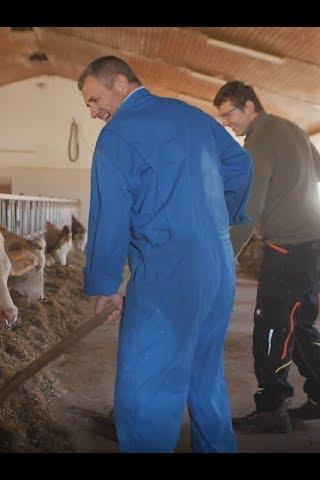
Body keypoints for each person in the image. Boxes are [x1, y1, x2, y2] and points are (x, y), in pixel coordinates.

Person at [78, 56, 253, 452]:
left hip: (169, 271)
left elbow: (109, 216)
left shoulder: (118, 135)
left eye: (94, 99)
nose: (92, 112)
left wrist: (105, 284)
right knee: (204, 374)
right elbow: (241, 165)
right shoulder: (190, 115)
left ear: (121, 83)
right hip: (219, 266)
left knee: (148, 388)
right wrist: (217, 217)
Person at [213, 81, 320, 433]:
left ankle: (272, 408)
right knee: (301, 324)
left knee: (271, 328)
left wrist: (225, 254)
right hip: (313, 246)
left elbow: (250, 207)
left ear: (248, 106)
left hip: (286, 249)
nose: (227, 123)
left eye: (229, 114)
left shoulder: (259, 139)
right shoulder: (292, 129)